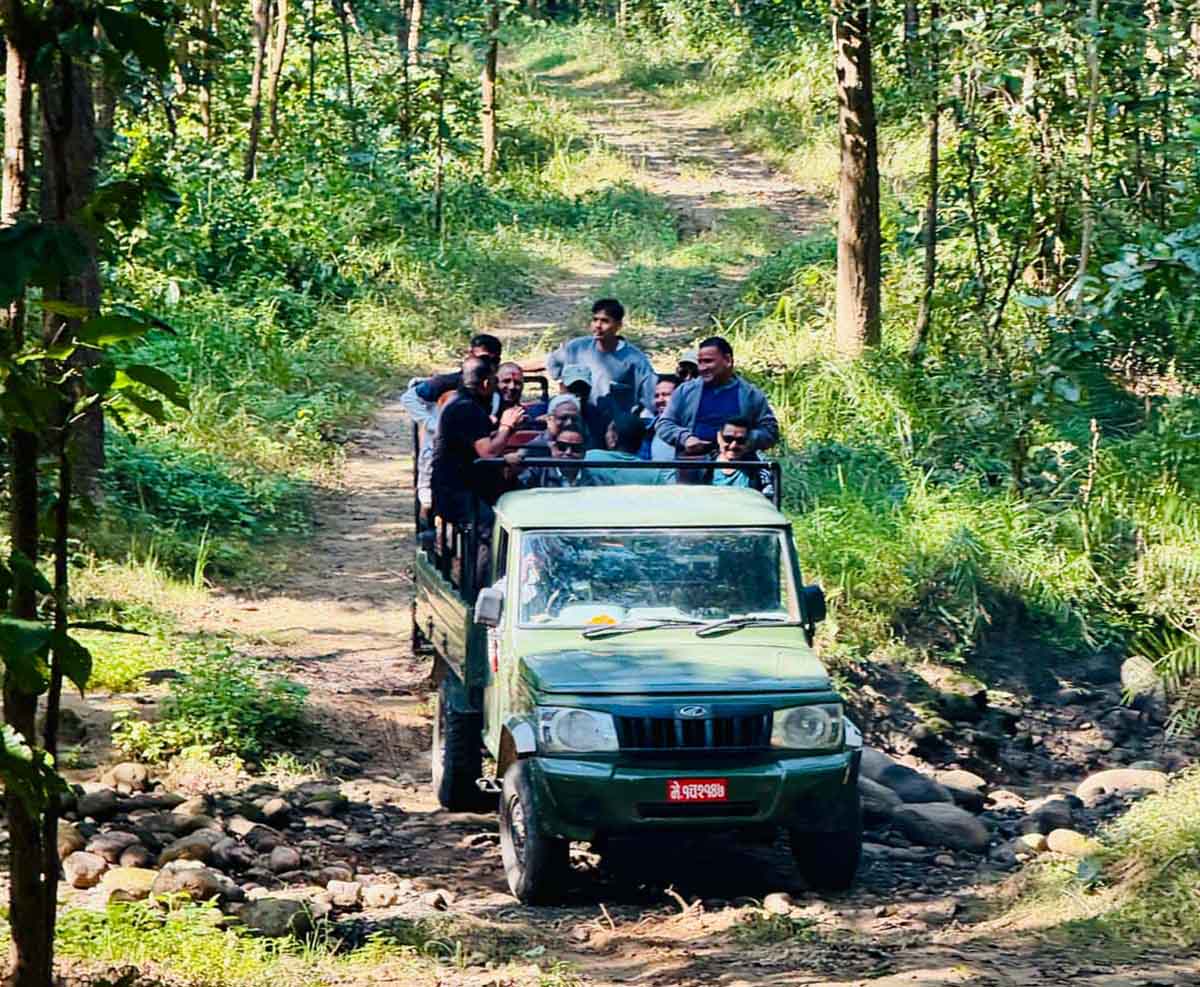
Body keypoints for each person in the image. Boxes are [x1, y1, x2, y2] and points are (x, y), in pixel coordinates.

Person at [431, 356, 525, 527]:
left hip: (468, 484)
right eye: (495, 380)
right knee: (491, 525)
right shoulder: (467, 408)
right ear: (486, 384)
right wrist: (506, 426)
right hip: (456, 491)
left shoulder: (462, 402)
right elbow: (488, 453)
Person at [656, 335, 779, 458]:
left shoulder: (750, 394)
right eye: (700, 362)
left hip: (738, 468)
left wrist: (744, 439)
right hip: (692, 464)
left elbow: (770, 431)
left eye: (708, 361)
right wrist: (685, 438)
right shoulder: (685, 391)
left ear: (727, 360)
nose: (702, 368)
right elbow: (664, 424)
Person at [543, 299, 657, 424]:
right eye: (595, 319)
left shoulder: (635, 359)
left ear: (618, 325)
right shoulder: (576, 347)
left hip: (614, 426)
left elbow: (651, 396)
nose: (598, 325)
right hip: (577, 422)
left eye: (605, 321)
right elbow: (551, 362)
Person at [704, 416, 775, 499]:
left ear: (749, 440)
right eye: (728, 439)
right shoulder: (702, 467)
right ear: (719, 437)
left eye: (741, 441)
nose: (733, 445)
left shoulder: (760, 468)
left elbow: (768, 503)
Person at [584, 414, 662, 485]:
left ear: (614, 437)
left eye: (607, 431)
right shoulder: (654, 473)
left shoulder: (589, 458)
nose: (605, 435)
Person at [515, 420, 587, 488]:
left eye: (576, 448)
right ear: (553, 448)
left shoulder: (595, 479)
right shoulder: (536, 473)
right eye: (562, 447)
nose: (568, 452)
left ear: (584, 453)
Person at [561, 365, 611, 450]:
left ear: (590, 389)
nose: (578, 393)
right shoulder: (552, 414)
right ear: (563, 388)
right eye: (573, 388)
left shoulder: (598, 417)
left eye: (583, 388)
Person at [523, 394, 588, 456]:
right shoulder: (536, 445)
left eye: (574, 418)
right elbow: (520, 455)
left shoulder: (586, 439)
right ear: (550, 419)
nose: (569, 423)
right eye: (563, 418)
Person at [638, 373, 678, 459]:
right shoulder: (647, 429)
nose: (660, 400)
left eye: (666, 394)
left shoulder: (689, 429)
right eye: (657, 396)